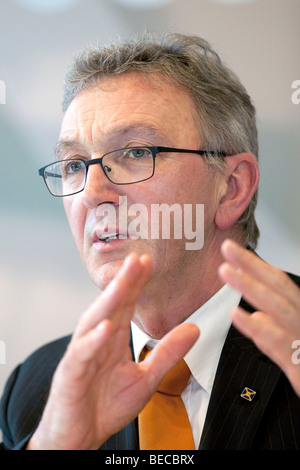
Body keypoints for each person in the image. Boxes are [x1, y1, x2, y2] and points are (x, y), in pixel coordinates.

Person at [1, 33, 299, 451]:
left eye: (137, 152)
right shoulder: (36, 391)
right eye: (73, 165)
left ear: (231, 188)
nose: (91, 193)